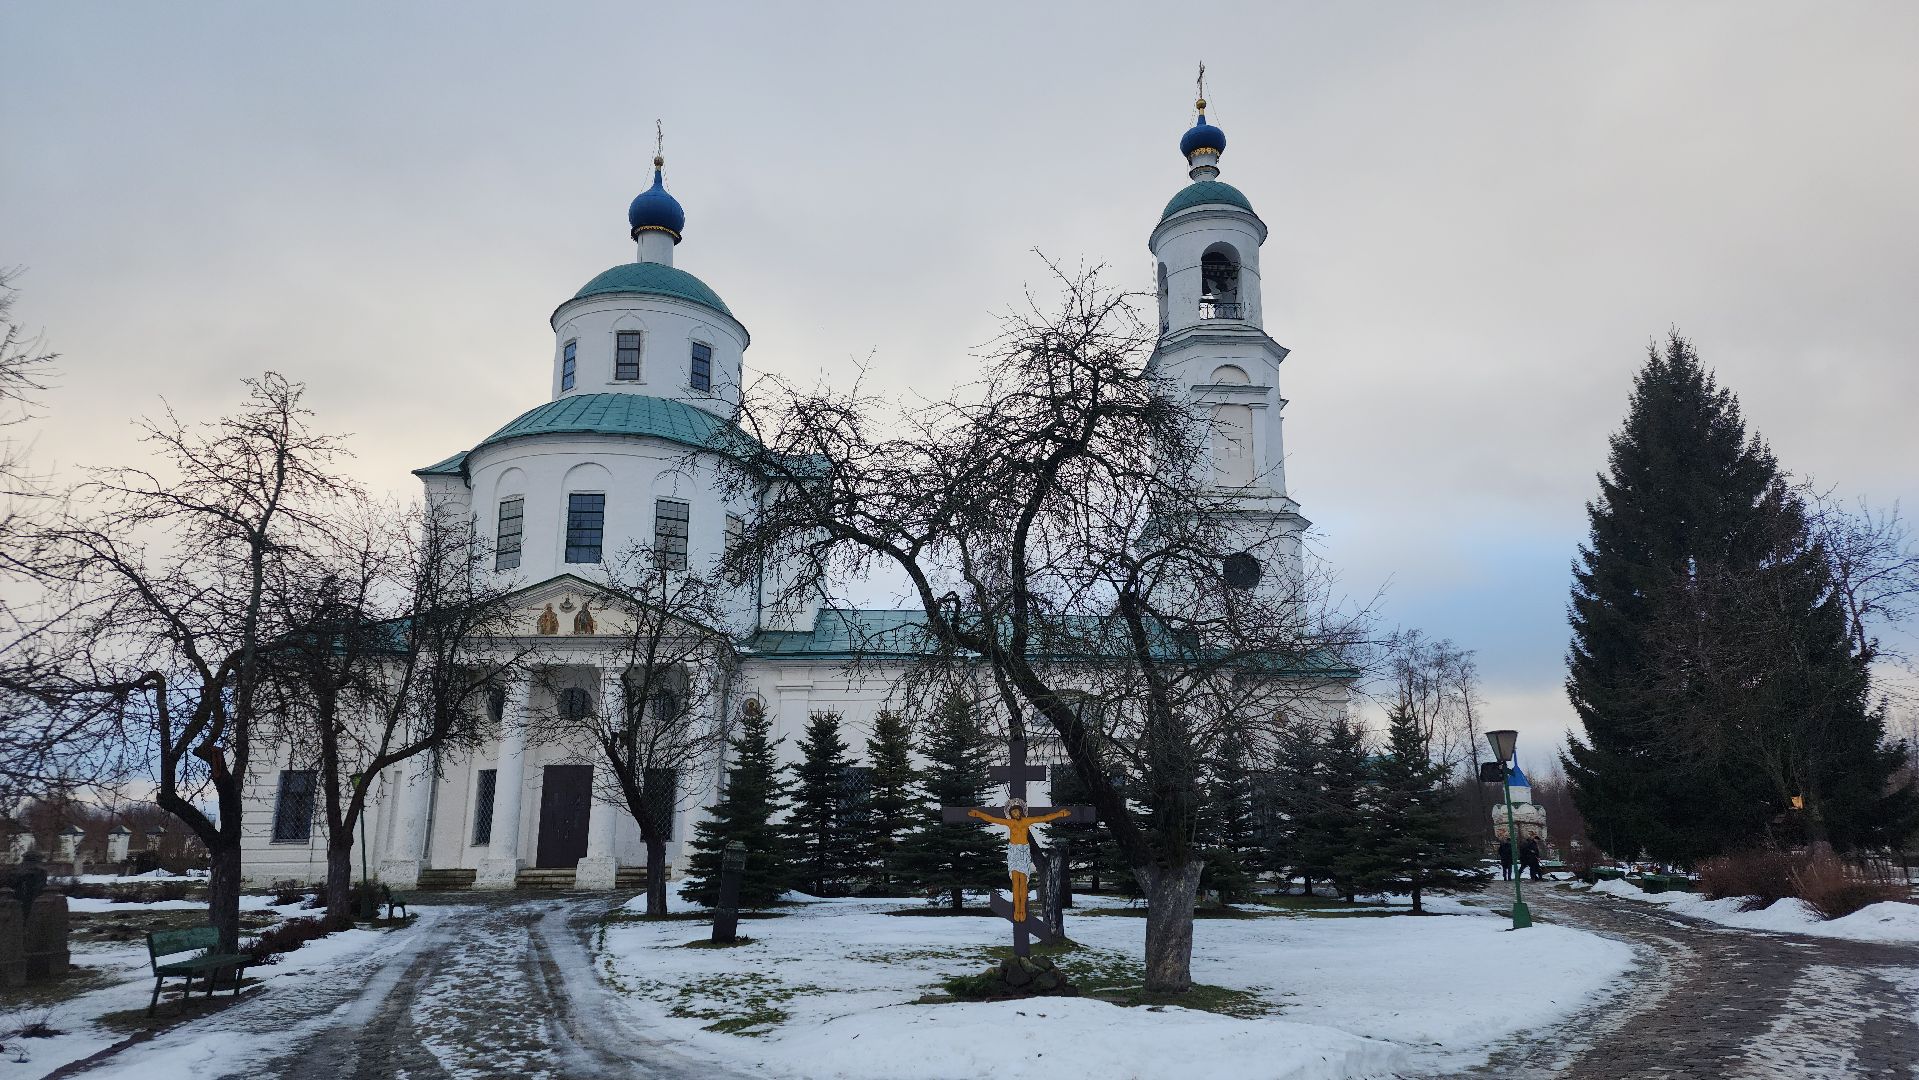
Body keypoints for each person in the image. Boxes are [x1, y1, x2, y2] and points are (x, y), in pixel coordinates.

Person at [968, 798, 1072, 923]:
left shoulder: (1027, 821)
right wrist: (978, 814)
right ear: (1010, 814)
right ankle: (1016, 909)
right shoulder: (1010, 823)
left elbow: (1043, 818)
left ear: (1021, 812)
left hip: (1023, 853)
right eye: (1013, 813)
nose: (1016, 814)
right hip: (1013, 853)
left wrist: (1060, 814)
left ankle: (1022, 909)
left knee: (1023, 883)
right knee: (1015, 883)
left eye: (1017, 812)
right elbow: (992, 819)